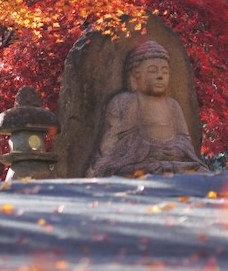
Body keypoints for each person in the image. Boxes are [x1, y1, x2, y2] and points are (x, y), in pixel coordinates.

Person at [88, 40, 208, 177]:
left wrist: (173, 150)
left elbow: (185, 143)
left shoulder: (173, 105)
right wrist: (149, 150)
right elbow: (111, 146)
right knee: (129, 173)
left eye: (165, 71)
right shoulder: (124, 101)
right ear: (135, 76)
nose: (160, 76)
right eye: (152, 71)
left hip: (175, 164)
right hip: (139, 164)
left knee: (203, 174)